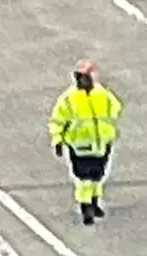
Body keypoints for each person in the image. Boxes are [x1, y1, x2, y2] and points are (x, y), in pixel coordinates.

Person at [48, 60, 123, 225]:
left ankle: (94, 201)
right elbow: (57, 121)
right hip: (80, 144)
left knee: (98, 174)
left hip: (101, 142)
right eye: (80, 77)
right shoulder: (69, 99)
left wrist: (107, 130)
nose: (83, 80)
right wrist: (58, 140)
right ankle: (85, 206)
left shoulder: (101, 94)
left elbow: (116, 108)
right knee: (83, 177)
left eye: (85, 77)